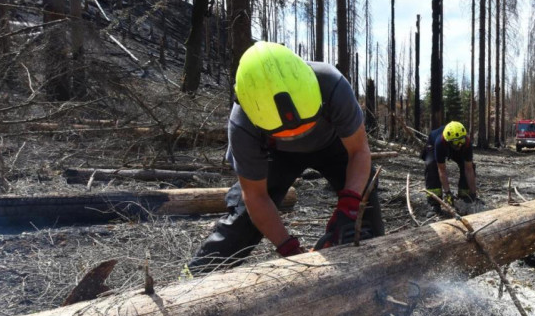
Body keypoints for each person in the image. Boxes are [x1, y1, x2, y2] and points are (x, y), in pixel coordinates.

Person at [186, 42, 383, 275]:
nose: (299, 135)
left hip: (336, 147)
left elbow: (359, 152)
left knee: (364, 215)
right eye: (289, 134)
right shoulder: (242, 124)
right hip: (278, 156)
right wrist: (289, 248)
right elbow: (256, 196)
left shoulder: (332, 84)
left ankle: (374, 278)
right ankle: (195, 278)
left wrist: (348, 207)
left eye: (306, 127)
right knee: (244, 220)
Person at [422, 121, 479, 213]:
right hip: (434, 145)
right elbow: (442, 170)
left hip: (451, 145)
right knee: (431, 165)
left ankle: (465, 197)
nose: (460, 144)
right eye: (457, 142)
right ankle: (434, 203)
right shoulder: (440, 142)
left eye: (462, 141)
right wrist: (447, 193)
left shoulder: (466, 143)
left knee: (469, 165)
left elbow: (469, 169)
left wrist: (473, 193)